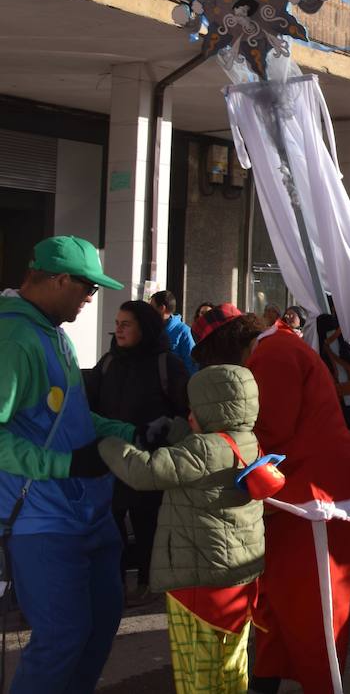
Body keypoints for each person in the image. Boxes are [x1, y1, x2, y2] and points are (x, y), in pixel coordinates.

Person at [191, 304, 350, 694]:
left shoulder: (273, 354)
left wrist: (212, 435)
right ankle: (267, 680)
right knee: (280, 601)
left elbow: (268, 428)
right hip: (292, 492)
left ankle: (322, 686)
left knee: (314, 607)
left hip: (312, 495)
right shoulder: (276, 348)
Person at [0, 236, 139, 693]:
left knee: (97, 628)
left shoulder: (51, 330)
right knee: (62, 638)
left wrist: (132, 432)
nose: (91, 298)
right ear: (60, 280)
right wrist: (64, 464)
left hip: (86, 511)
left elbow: (71, 414)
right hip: (42, 519)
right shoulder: (15, 337)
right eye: (87, 288)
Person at [97, 364, 265, 692]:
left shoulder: (202, 450)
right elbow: (206, 453)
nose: (189, 414)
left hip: (197, 580)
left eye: (194, 408)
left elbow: (146, 471)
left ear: (209, 411)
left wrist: (107, 445)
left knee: (197, 671)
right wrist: (178, 430)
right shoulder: (247, 440)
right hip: (238, 579)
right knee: (232, 664)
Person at [86, 299, 191, 600]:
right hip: (111, 460)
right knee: (112, 524)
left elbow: (184, 410)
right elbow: (88, 402)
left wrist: (164, 430)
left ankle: (148, 583)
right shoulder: (108, 362)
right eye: (117, 324)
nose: (118, 330)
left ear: (144, 327)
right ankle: (115, 584)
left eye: (126, 324)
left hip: (151, 462)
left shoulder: (166, 363)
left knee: (149, 526)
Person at [152, 290, 198, 375]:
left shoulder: (183, 331)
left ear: (162, 308)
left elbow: (191, 364)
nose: (149, 311)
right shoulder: (150, 329)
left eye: (152, 307)